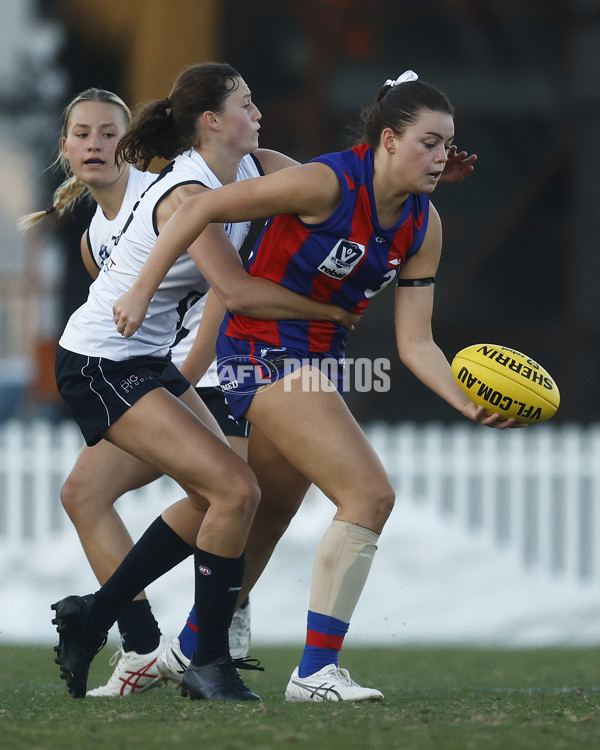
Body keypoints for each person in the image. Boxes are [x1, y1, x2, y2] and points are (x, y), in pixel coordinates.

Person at [52, 69, 520, 703]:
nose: (442, 156)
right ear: (387, 139)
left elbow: (416, 344)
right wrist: (139, 291)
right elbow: (206, 217)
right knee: (367, 494)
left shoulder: (420, 223)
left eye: (448, 145)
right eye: (429, 142)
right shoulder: (315, 181)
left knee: (261, 507)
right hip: (255, 350)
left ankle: (185, 643)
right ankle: (314, 672)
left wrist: (468, 400)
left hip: (305, 358)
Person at [48, 62, 360, 703]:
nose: (259, 113)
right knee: (234, 490)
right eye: (247, 103)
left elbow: (341, 189)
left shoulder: (254, 165)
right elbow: (238, 290)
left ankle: (101, 615)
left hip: (147, 361)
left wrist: (408, 175)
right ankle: (206, 658)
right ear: (212, 121)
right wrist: (334, 310)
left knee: (218, 498)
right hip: (100, 363)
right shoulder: (187, 192)